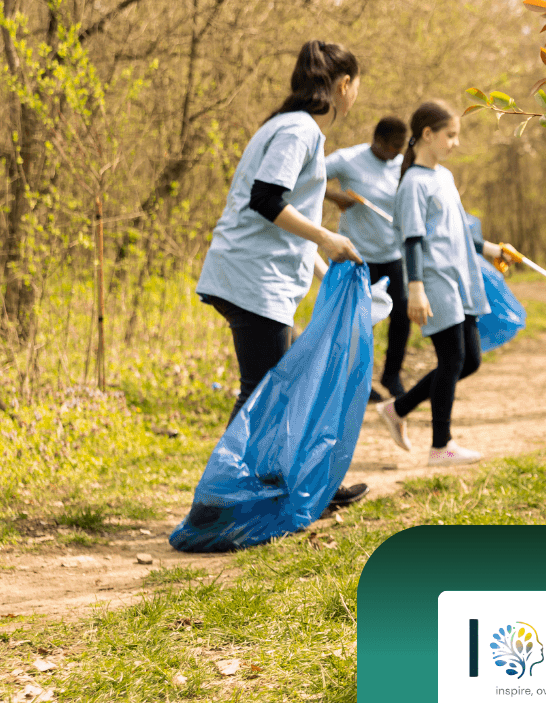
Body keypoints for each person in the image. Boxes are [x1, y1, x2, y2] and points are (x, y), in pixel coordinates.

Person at [194, 39, 368, 509]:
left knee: (277, 388)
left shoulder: (288, 126)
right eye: (357, 87)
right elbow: (267, 200)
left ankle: (292, 488)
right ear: (344, 84)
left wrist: (325, 263)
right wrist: (328, 238)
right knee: (263, 392)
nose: (356, 97)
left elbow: (282, 218)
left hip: (252, 274)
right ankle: (218, 499)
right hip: (251, 278)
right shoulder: (299, 131)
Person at [374, 102, 516, 465]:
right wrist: (416, 288)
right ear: (427, 135)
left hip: (461, 278)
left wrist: (492, 249)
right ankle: (441, 445)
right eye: (450, 135)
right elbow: (413, 241)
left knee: (469, 361)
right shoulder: (412, 185)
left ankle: (398, 409)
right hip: (434, 281)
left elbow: (457, 233)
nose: (455, 142)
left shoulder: (445, 177)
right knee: (452, 358)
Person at [326, 115, 412, 403]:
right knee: (363, 320)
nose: (398, 152)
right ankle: (358, 382)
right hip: (359, 256)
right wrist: (333, 196)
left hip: (393, 253)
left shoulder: (400, 165)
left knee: (402, 314)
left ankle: (392, 374)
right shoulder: (348, 159)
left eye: (402, 146)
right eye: (394, 146)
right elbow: (307, 177)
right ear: (378, 141)